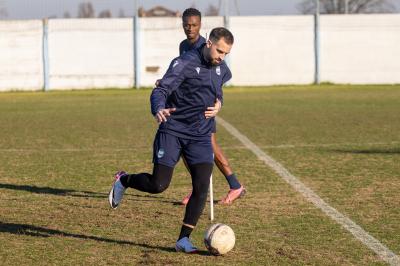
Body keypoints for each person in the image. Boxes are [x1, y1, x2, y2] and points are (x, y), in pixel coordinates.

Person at [109, 27, 235, 253]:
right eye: (219, 51)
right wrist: (158, 108)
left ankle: (183, 239)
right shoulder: (185, 62)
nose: (221, 58)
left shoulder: (221, 69)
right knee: (159, 185)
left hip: (200, 134)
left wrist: (219, 104)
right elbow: (160, 90)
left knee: (201, 185)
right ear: (209, 43)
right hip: (174, 130)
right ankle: (124, 180)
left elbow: (218, 88)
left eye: (226, 54)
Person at [179, 8, 245, 205]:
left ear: (200, 25)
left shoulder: (207, 46)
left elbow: (224, 73)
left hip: (204, 107)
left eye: (194, 25)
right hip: (187, 106)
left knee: (210, 146)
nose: (190, 28)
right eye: (186, 24)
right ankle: (199, 187)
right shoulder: (183, 46)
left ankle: (235, 186)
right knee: (184, 148)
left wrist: (216, 98)